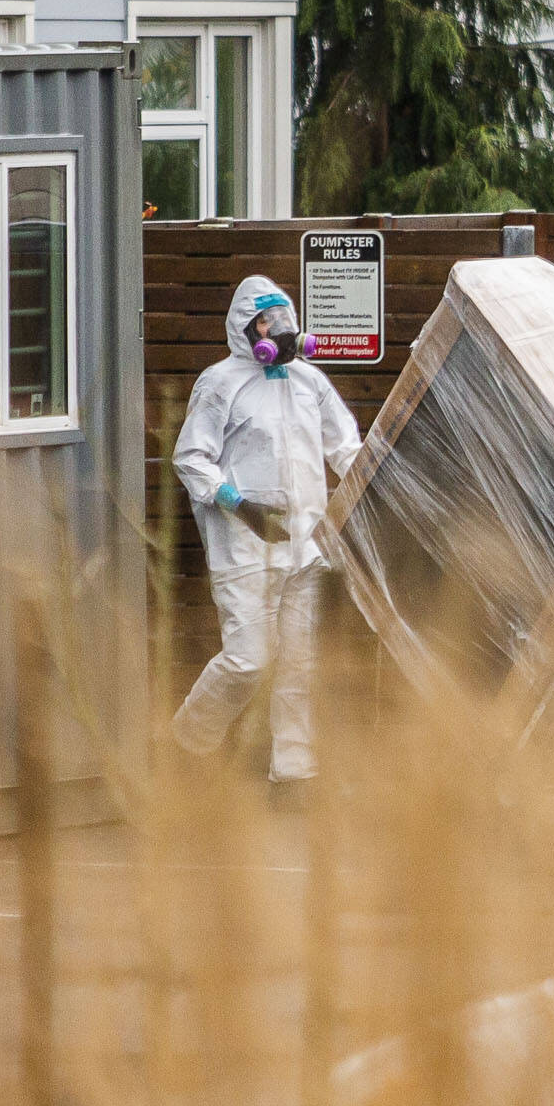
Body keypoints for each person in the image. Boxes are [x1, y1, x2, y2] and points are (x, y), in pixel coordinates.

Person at [173, 275, 362, 799]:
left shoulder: (309, 381)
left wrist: (380, 491)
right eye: (266, 322)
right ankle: (186, 746)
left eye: (284, 319)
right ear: (244, 328)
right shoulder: (220, 383)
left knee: (299, 664)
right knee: (249, 659)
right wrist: (238, 504)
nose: (279, 330)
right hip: (245, 550)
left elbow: (346, 448)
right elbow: (191, 458)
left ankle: (295, 773)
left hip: (305, 547)